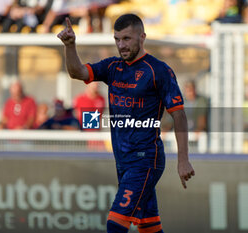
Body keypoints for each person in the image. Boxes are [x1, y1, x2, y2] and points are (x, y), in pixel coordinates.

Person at [57, 14, 195, 233]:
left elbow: (179, 115)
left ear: (142, 37)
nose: (121, 45)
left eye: (127, 39)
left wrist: (183, 160)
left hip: (146, 160)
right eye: (117, 39)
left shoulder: (158, 70)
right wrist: (70, 45)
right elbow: (78, 72)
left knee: (115, 224)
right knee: (149, 227)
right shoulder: (112, 67)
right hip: (123, 161)